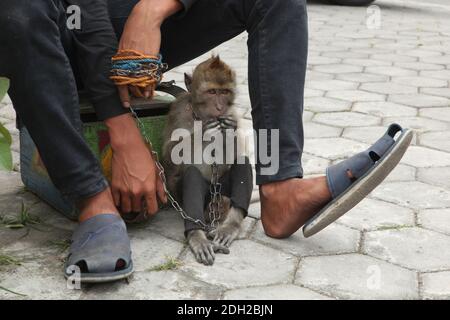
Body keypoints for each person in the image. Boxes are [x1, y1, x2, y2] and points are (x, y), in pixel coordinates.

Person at [0, 0, 411, 282]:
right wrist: (122, 133)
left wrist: (152, 9)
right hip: (47, 28)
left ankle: (282, 186)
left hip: (127, 26)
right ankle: (94, 203)